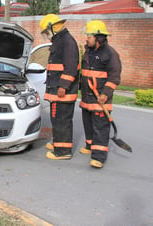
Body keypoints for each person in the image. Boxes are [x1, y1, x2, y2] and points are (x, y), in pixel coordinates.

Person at [79, 20, 121, 168]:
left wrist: (106, 93)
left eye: (89, 36)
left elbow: (114, 76)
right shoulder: (88, 52)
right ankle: (90, 146)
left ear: (98, 38)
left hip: (100, 98)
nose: (86, 38)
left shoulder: (110, 54)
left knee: (100, 128)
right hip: (87, 98)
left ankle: (99, 157)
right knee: (88, 124)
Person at [39, 14, 80, 160]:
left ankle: (63, 151)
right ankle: (58, 142)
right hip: (57, 89)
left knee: (62, 120)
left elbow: (71, 68)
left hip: (62, 91)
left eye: (46, 31)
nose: (46, 35)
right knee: (56, 119)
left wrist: (63, 86)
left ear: (52, 27)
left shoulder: (67, 42)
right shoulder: (60, 40)